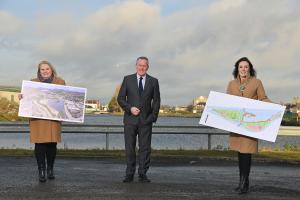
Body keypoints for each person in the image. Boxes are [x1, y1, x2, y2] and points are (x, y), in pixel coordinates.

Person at [226, 57, 271, 194]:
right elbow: (227, 101)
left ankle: (244, 183)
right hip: (236, 125)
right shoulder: (231, 84)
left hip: (250, 124)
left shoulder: (257, 82)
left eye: (246, 67)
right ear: (237, 69)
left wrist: (274, 106)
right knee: (240, 154)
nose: (243, 69)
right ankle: (242, 182)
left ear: (250, 68)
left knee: (246, 154)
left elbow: (263, 98)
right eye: (241, 67)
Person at [20, 61, 66, 182]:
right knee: (39, 145)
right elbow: (27, 99)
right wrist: (22, 97)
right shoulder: (32, 83)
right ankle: (41, 170)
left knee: (52, 145)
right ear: (39, 71)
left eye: (47, 69)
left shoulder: (60, 82)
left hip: (53, 119)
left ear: (52, 70)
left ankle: (50, 169)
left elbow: (65, 100)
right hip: (38, 119)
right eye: (42, 69)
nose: (45, 71)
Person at [117, 56, 160, 183]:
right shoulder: (127, 79)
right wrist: (129, 108)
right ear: (136, 66)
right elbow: (120, 99)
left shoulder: (154, 81)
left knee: (145, 148)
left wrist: (153, 117)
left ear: (148, 67)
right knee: (129, 148)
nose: (142, 67)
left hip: (146, 121)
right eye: (140, 65)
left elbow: (156, 101)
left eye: (144, 65)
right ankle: (129, 173)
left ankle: (142, 173)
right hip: (130, 120)